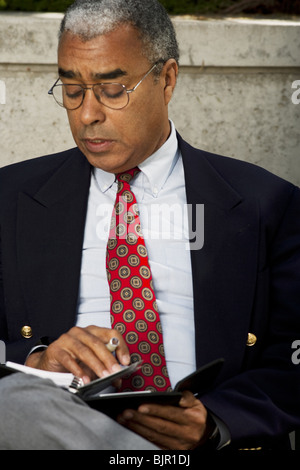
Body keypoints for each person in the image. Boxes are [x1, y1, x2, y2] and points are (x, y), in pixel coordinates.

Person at [0, 0, 299, 451]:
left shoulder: (266, 203)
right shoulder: (9, 198)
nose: (86, 115)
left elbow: (291, 357)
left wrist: (217, 420)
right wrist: (36, 362)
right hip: (50, 423)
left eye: (113, 88)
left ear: (168, 79)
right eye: (72, 89)